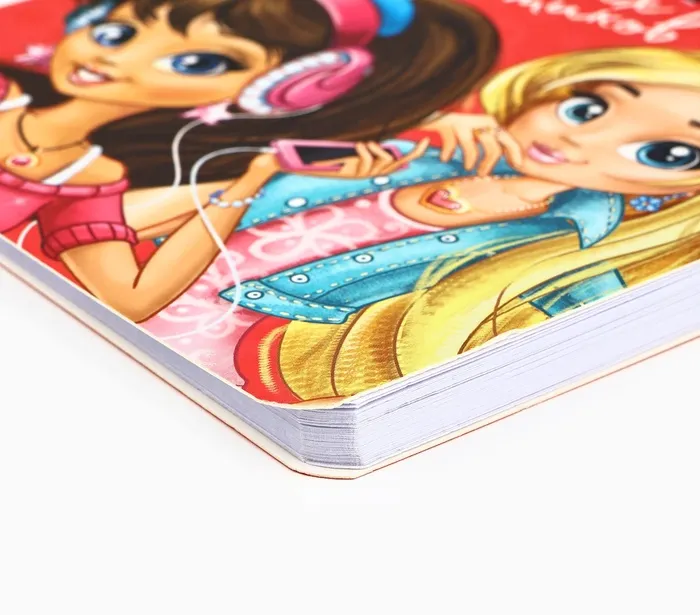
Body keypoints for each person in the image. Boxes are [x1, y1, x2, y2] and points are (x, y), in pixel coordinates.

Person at [197, 46, 698, 402]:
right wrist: (419, 120)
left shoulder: (574, 261)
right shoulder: (416, 151)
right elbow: (223, 161)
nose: (579, 141)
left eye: (666, 153)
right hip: (179, 290)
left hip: (244, 354)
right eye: (585, 109)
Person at [0, 0, 498, 321]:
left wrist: (256, 177)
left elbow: (131, 298)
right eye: (115, 33)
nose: (114, 59)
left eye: (197, 63)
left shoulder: (92, 181)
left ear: (284, 90)